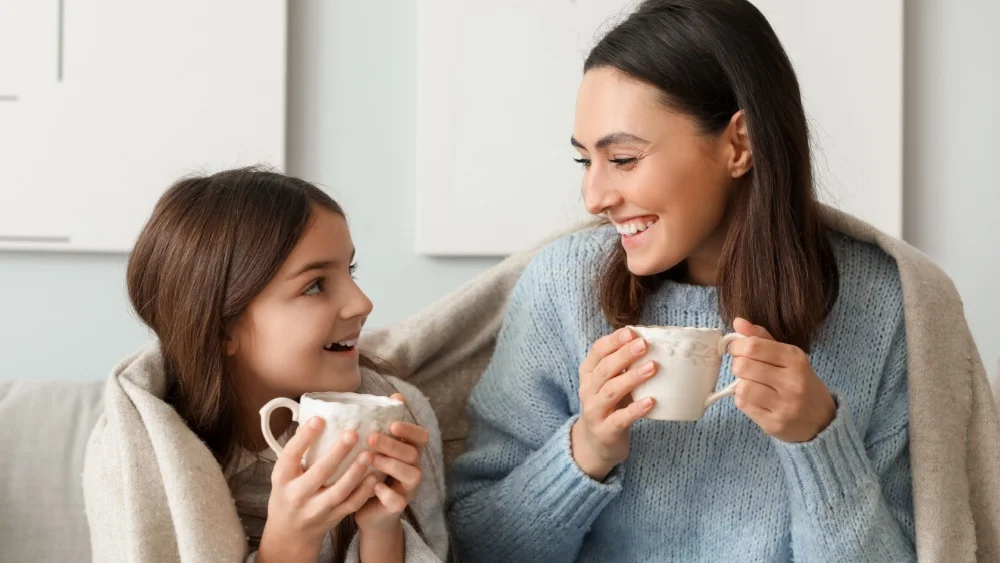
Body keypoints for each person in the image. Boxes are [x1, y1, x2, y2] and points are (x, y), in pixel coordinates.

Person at [449, 0, 919, 560]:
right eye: (585, 162)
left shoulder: (883, 301)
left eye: (622, 158)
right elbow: (474, 546)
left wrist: (819, 440)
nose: (594, 198)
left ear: (738, 145)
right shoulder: (562, 286)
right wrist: (585, 451)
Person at [84, 168, 447, 562]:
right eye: (315, 285)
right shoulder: (133, 456)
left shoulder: (396, 418)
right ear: (221, 328)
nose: (362, 303)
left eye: (350, 270)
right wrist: (290, 542)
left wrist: (382, 528)